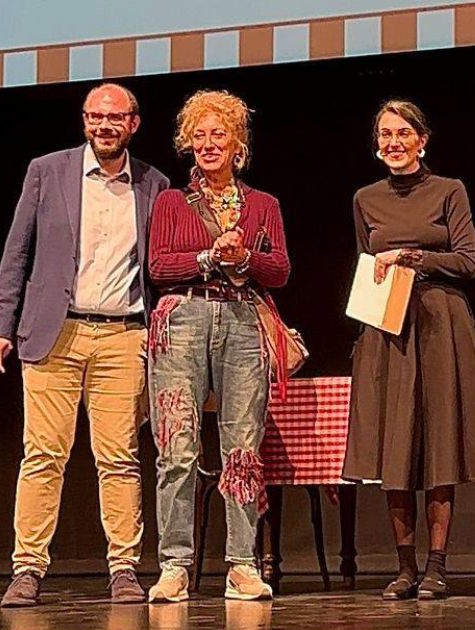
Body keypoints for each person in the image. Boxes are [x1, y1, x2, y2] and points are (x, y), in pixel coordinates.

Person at [0, 83, 169, 607]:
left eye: (115, 118)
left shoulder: (154, 183)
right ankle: (27, 569)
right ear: (84, 121)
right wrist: (0, 325)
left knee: (120, 458)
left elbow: (159, 265)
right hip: (53, 332)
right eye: (94, 117)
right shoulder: (48, 171)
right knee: (42, 455)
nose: (103, 126)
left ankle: (125, 568)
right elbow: (16, 252)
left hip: (123, 336)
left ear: (133, 123)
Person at [342, 100, 475, 600]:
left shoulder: (448, 190)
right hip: (387, 329)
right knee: (395, 448)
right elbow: (365, 264)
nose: (393, 142)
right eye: (384, 135)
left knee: (438, 445)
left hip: (440, 324)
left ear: (422, 140)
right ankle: (405, 567)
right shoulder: (365, 199)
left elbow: (468, 262)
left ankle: (437, 565)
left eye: (403, 133)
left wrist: (410, 256)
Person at [145, 90, 290, 602]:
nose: (208, 144)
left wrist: (244, 257)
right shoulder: (169, 202)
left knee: (242, 448)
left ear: (237, 144)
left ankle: (242, 564)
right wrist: (209, 256)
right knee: (177, 448)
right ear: (189, 143)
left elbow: (280, 270)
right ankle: (175, 565)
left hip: (243, 321)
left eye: (218, 134)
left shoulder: (263, 205)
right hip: (182, 320)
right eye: (199, 136)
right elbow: (159, 267)